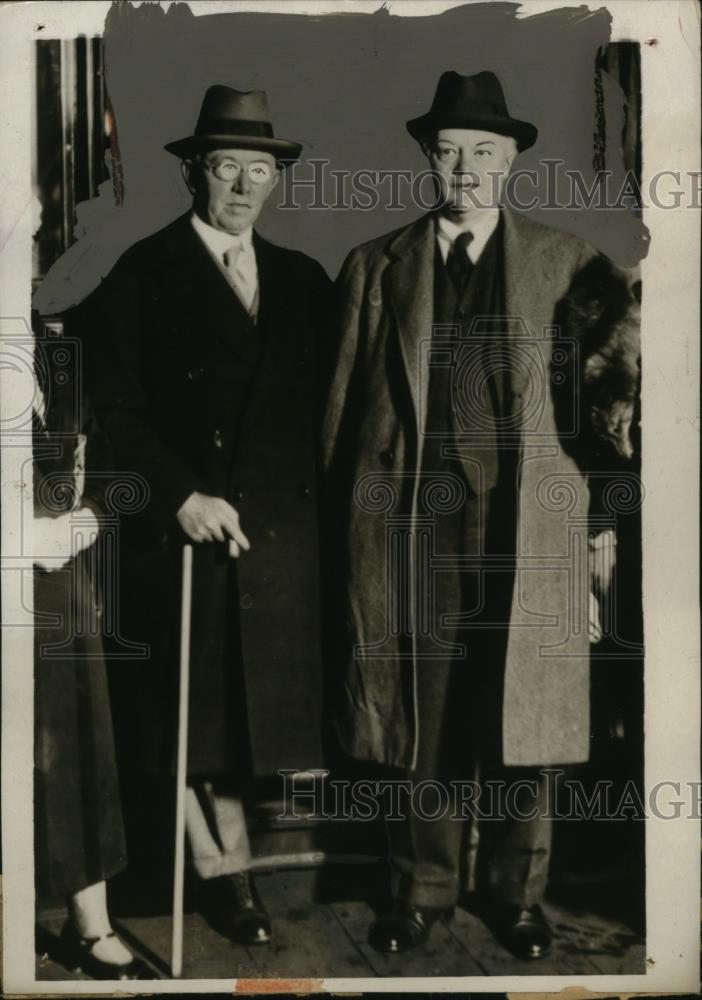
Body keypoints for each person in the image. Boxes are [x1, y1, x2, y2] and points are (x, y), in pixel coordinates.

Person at [321, 71, 639, 958]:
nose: (466, 168)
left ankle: (517, 894)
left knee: (525, 711)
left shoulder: (569, 264)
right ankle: (418, 891)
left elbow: (608, 414)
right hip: (408, 528)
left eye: (485, 153)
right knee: (415, 714)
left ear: (512, 163)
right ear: (429, 156)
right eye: (452, 151)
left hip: (528, 522)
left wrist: (602, 527)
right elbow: (339, 416)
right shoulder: (375, 267)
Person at [81, 86, 332, 946]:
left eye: (259, 169)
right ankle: (228, 885)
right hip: (186, 536)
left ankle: (253, 875)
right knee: (199, 730)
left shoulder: (303, 281)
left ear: (276, 181)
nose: (242, 184)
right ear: (195, 172)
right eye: (226, 165)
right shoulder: (143, 271)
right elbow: (107, 407)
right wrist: (177, 494)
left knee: (265, 726)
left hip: (278, 546)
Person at [33, 359, 153, 980]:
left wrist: (85, 519)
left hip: (56, 586)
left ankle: (88, 924)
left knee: (79, 742)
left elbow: (109, 472)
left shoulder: (56, 364)